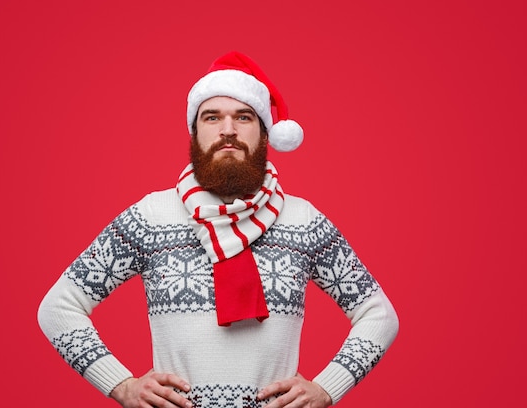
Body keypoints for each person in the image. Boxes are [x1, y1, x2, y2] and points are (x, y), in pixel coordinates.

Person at [38, 51, 399, 408]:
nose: (228, 130)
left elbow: (378, 315)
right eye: (212, 117)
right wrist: (121, 385)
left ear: (264, 133)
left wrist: (326, 388)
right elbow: (59, 307)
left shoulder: (303, 220)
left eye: (243, 117)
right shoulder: (150, 217)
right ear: (195, 132)